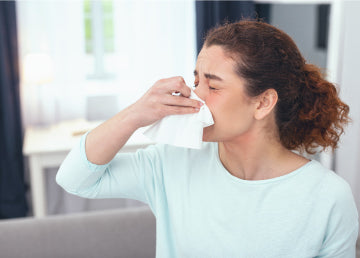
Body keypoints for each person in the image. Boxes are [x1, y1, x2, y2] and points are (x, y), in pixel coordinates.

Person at [56, 20, 359, 257]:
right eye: (196, 81)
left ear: (263, 103)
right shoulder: (170, 163)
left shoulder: (328, 197)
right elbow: (75, 178)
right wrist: (136, 114)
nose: (195, 96)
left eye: (213, 87)